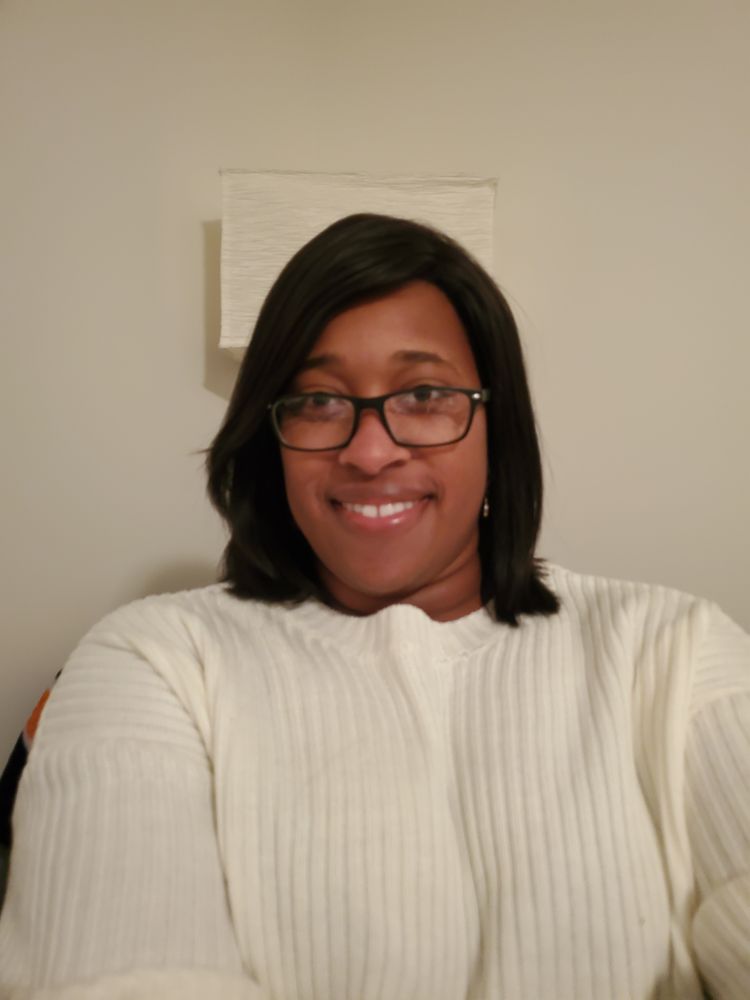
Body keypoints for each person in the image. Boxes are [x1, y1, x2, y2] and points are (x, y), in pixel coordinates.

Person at [0, 214, 747, 1000]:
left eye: (424, 394)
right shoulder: (153, 659)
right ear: (271, 438)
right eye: (318, 401)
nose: (368, 451)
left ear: (496, 427)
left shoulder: (675, 647)